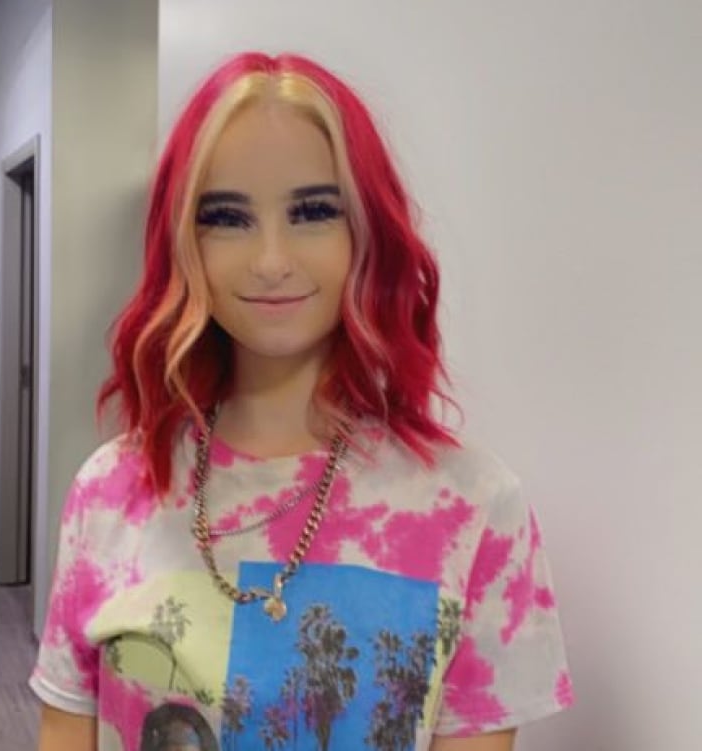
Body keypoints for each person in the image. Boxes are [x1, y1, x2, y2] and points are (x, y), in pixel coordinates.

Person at [31, 52, 574, 751]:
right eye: (226, 217)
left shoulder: (473, 506)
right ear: (182, 242)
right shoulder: (111, 490)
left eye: (314, 210)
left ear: (368, 231)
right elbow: (64, 728)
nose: (271, 259)